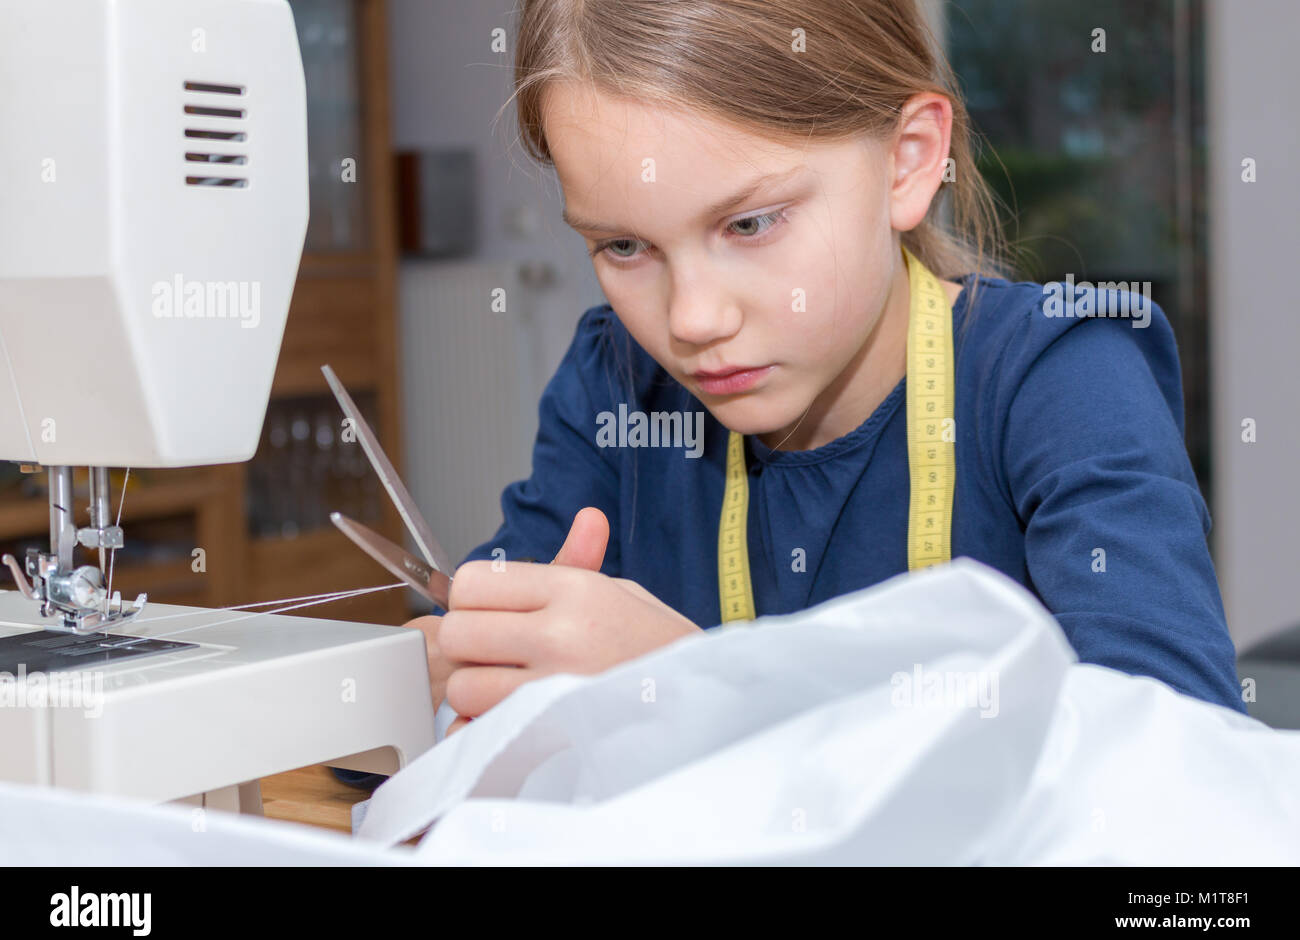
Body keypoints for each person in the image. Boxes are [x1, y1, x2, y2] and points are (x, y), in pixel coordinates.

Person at [403, 0, 1246, 739]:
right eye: (624, 246)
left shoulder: (1065, 381)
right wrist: (456, 661)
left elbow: (1179, 771)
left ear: (909, 160)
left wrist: (703, 691)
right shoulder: (614, 385)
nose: (692, 319)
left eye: (750, 225)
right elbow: (472, 639)